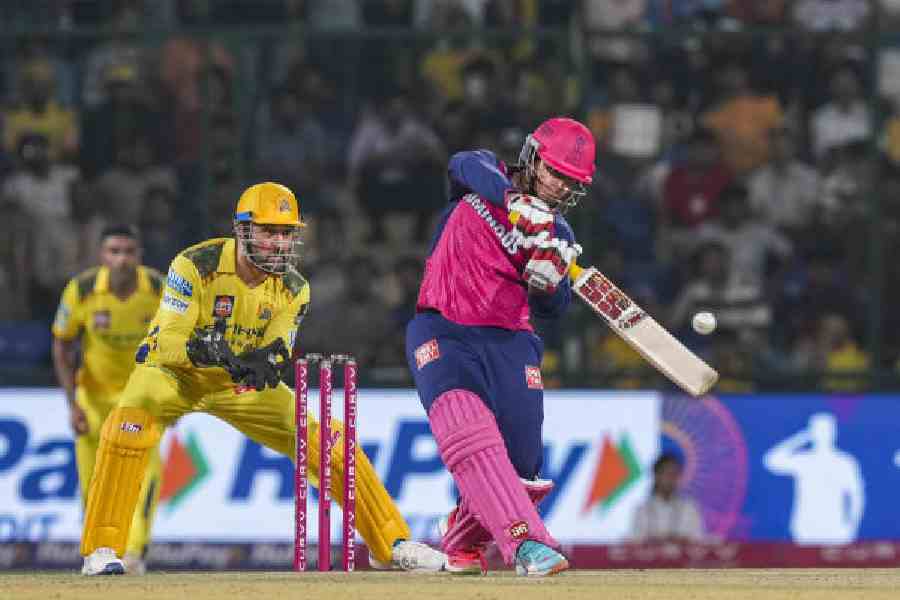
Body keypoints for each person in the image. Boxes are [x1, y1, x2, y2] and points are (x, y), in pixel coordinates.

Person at [79, 182, 445, 575]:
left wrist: (267, 363)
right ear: (242, 230)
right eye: (269, 231)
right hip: (172, 373)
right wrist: (202, 350)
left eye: (287, 233)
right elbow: (167, 338)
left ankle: (391, 544)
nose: (279, 243)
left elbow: (279, 348)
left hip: (234, 384)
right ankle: (101, 550)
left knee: (330, 441)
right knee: (125, 428)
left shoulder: (294, 287)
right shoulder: (196, 263)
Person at [405, 117, 594, 577]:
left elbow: (553, 309)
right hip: (443, 329)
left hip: (510, 342)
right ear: (530, 157)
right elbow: (461, 162)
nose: (558, 188)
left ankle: (461, 537)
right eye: (553, 173)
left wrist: (548, 284)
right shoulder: (484, 175)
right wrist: (515, 204)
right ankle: (526, 543)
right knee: (468, 434)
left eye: (570, 183)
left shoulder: (559, 235)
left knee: (524, 470)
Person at [52, 225, 164, 574]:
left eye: (128, 252)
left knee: (144, 477)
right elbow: (61, 343)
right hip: (94, 399)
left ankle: (133, 555)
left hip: (140, 400)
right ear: (102, 256)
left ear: (139, 255)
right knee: (95, 481)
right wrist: (72, 404)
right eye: (114, 251)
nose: (122, 260)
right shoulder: (82, 290)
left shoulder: (159, 289)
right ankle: (97, 555)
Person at [629, 453, 706, 543]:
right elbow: (636, 541)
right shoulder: (642, 509)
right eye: (666, 473)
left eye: (674, 474)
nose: (671, 478)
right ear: (656, 476)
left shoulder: (689, 508)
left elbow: (698, 540)